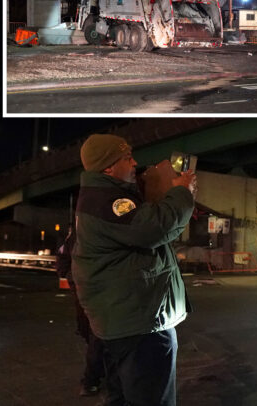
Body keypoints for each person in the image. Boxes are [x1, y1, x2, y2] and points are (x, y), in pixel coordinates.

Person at [71, 134, 197, 406]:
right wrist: (182, 191)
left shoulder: (101, 197)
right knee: (151, 398)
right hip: (140, 325)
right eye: (127, 157)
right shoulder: (109, 201)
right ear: (108, 167)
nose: (135, 163)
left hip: (125, 321)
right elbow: (154, 228)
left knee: (122, 396)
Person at [55, 226, 106, 397]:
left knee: (94, 335)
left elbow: (62, 255)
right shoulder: (82, 233)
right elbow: (62, 256)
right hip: (90, 290)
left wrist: (70, 276)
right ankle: (93, 378)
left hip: (90, 290)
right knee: (93, 335)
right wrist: (71, 277)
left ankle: (92, 379)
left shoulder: (83, 231)